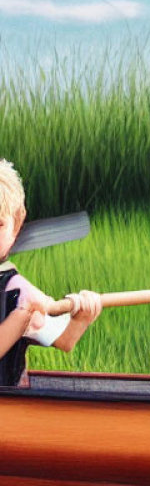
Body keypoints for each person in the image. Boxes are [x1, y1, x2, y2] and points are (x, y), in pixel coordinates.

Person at [0, 159, 102, 388]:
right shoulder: (23, 306)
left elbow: (64, 340)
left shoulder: (17, 290)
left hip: (8, 410)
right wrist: (20, 317)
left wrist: (82, 317)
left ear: (16, 225)